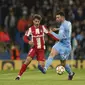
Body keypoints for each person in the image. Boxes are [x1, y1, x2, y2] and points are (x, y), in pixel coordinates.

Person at [15, 14, 57, 80]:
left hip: (41, 50)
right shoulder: (30, 29)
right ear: (33, 22)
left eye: (38, 21)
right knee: (27, 60)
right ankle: (19, 76)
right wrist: (28, 41)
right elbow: (25, 37)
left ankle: (41, 67)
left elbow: (50, 34)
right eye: (35, 21)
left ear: (40, 21)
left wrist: (58, 39)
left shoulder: (43, 27)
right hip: (34, 48)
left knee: (41, 65)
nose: (37, 23)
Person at [39, 11, 75, 80]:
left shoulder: (62, 26)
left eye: (58, 17)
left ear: (62, 17)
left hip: (66, 47)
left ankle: (71, 73)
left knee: (63, 63)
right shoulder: (68, 23)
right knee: (52, 53)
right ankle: (45, 69)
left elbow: (59, 37)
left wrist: (52, 32)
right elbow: (66, 29)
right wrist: (57, 29)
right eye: (56, 18)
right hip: (60, 44)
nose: (56, 19)